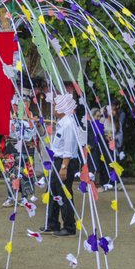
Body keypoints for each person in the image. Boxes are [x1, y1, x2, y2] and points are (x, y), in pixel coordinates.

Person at [43, 93, 84, 236]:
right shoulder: (62, 122)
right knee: (53, 191)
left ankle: (69, 226)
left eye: (55, 105)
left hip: (65, 162)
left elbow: (69, 148)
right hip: (58, 161)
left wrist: (64, 167)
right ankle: (52, 223)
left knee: (64, 193)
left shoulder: (68, 124)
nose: (53, 108)